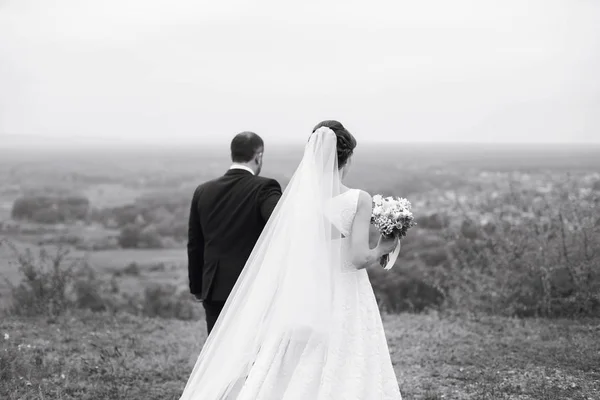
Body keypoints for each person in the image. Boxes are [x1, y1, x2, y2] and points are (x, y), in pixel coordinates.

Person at [181, 121, 402, 399]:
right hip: (347, 292)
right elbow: (357, 258)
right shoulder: (358, 199)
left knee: (296, 362)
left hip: (305, 290)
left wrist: (196, 285)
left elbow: (196, 242)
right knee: (349, 355)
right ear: (347, 157)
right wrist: (384, 246)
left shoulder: (296, 200)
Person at [187, 131, 282, 334]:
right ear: (259, 156)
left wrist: (197, 287)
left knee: (217, 353)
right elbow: (281, 225)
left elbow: (195, 244)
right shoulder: (265, 188)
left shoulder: (203, 190)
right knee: (252, 354)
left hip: (214, 289)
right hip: (253, 288)